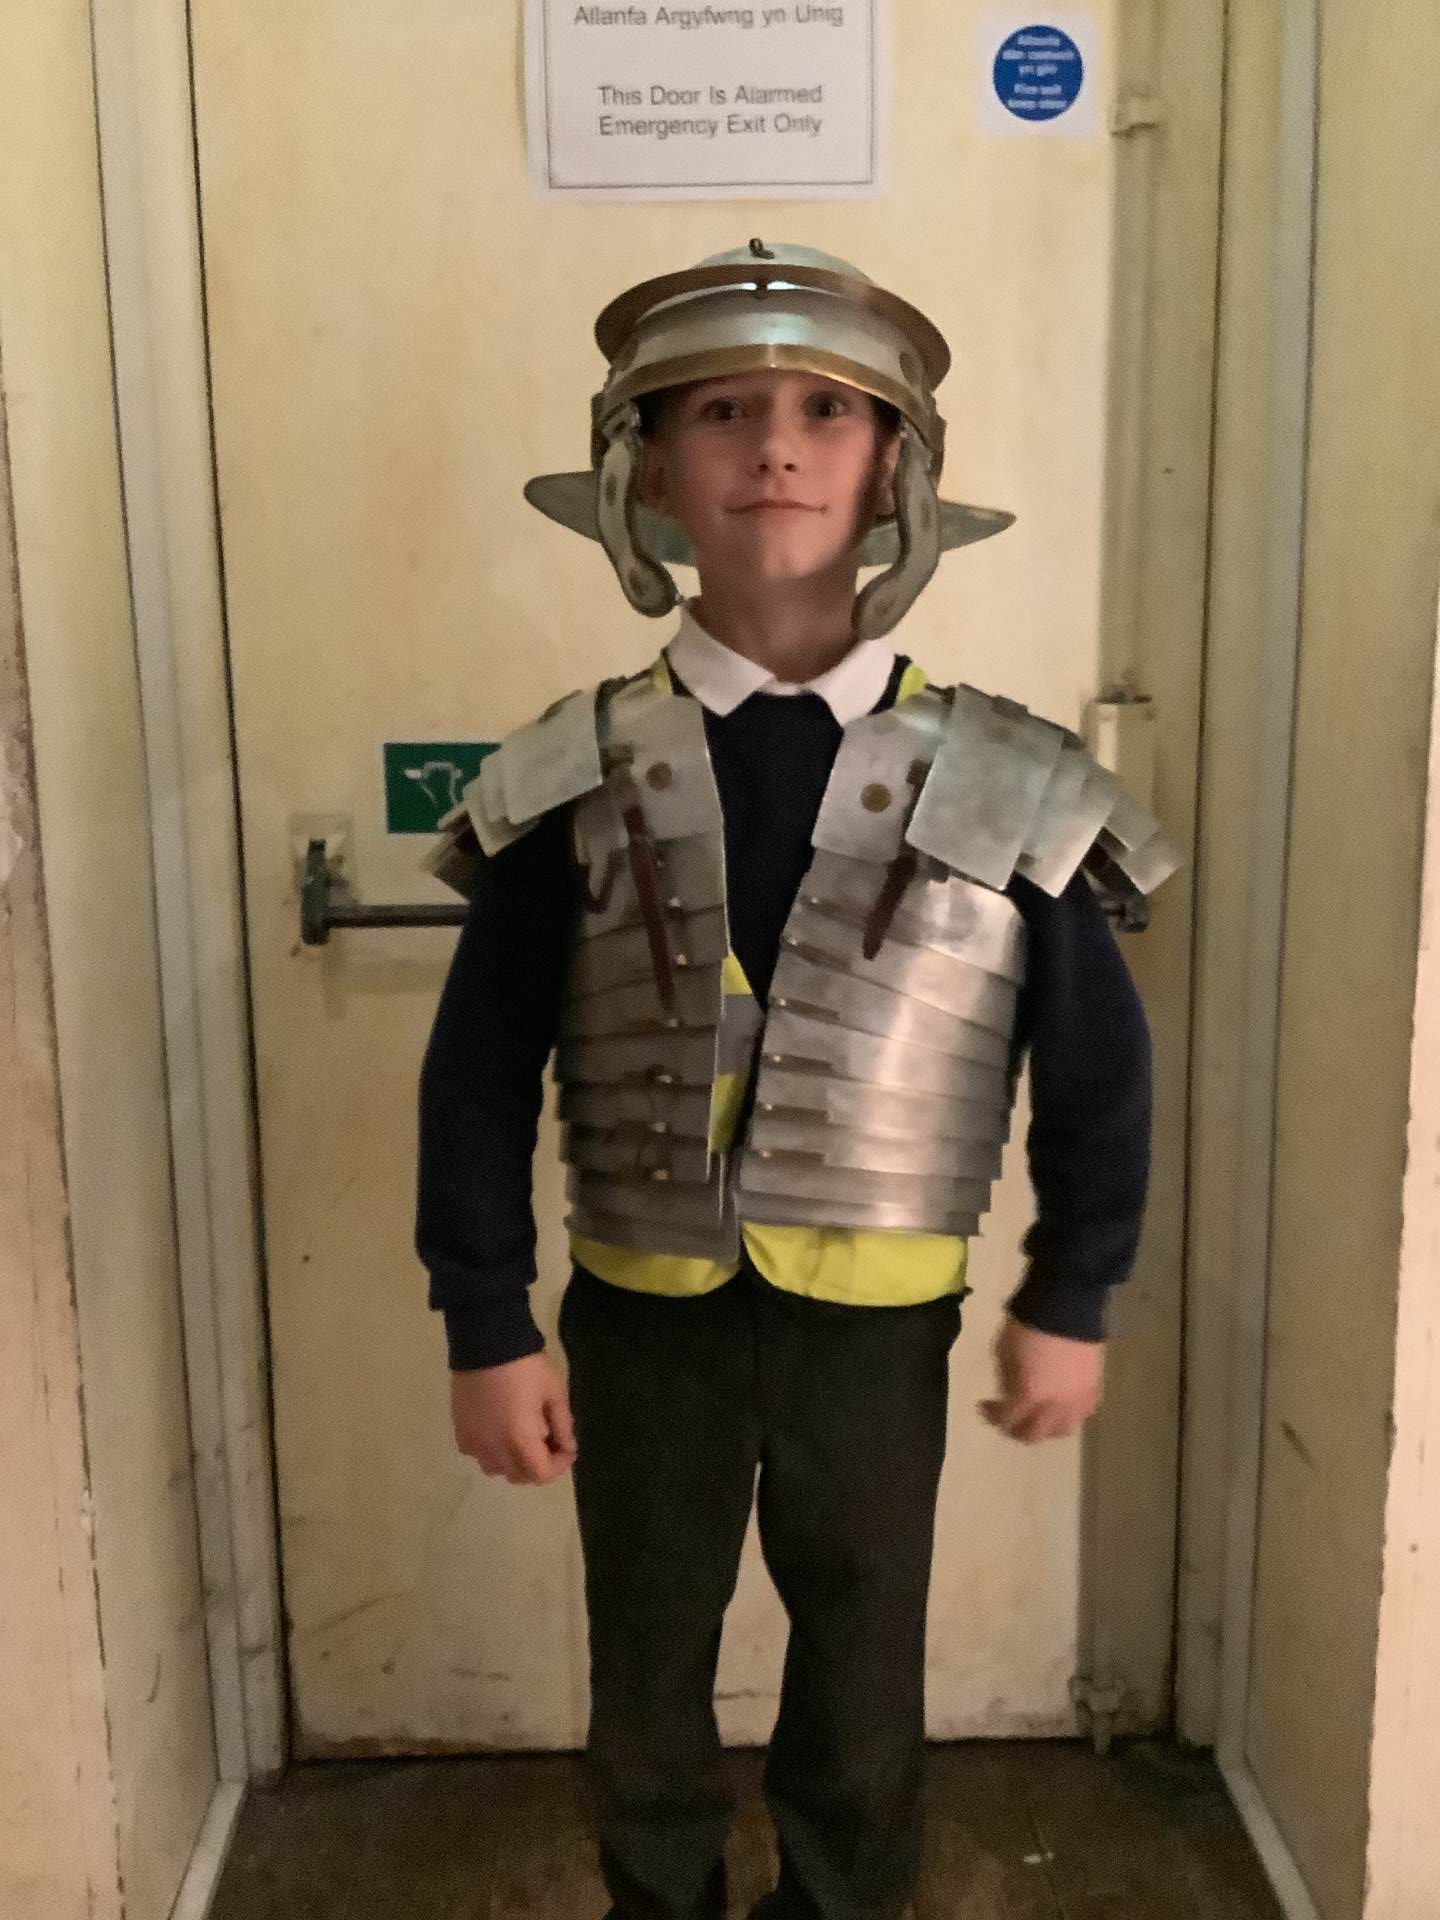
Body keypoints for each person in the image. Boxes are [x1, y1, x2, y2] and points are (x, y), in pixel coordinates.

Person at [416, 240, 1176, 1920]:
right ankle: (659, 1901)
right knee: (644, 1665)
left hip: (877, 1317)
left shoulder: (1004, 772)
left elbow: (1096, 1066)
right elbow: (475, 1070)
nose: (776, 447)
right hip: (642, 1312)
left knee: (863, 1665)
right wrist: (484, 1319)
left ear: (896, 466)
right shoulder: (571, 769)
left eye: (828, 412)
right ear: (644, 473)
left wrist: (1075, 1291)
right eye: (722, 412)